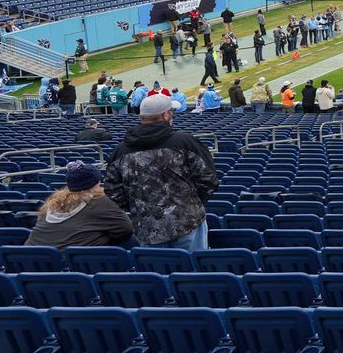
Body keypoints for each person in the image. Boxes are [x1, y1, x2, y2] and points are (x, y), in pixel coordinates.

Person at [104, 93, 218, 251]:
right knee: (193, 272)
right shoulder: (185, 142)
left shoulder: (120, 151)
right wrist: (191, 204)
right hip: (187, 222)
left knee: (158, 274)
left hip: (147, 226)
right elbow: (209, 179)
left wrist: (141, 209)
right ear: (165, 115)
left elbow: (113, 193)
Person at [25, 161, 135, 250]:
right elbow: (126, 230)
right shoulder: (100, 200)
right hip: (68, 263)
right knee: (132, 240)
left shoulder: (53, 201)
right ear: (96, 183)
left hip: (32, 259)